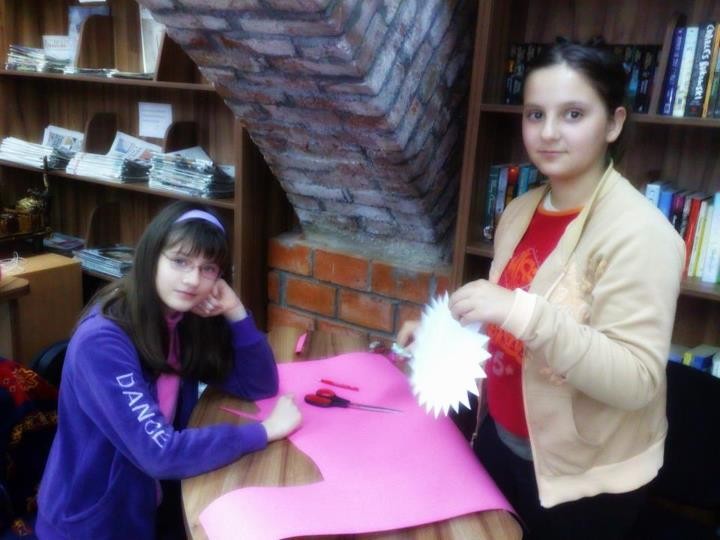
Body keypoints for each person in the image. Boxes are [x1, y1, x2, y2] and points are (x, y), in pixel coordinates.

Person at [398, 39, 685, 539]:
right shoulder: (520, 210)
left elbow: (636, 379)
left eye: (573, 114)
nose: (549, 132)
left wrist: (520, 310)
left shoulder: (643, 235)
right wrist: (444, 338)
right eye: (536, 114)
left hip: (583, 480)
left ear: (613, 123)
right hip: (500, 437)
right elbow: (508, 325)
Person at [36, 201, 302, 539]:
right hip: (96, 523)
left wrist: (235, 311)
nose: (192, 280)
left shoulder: (183, 318)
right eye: (179, 261)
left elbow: (259, 385)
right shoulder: (102, 342)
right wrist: (263, 431)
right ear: (152, 257)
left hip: (155, 503)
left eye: (208, 269)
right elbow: (160, 454)